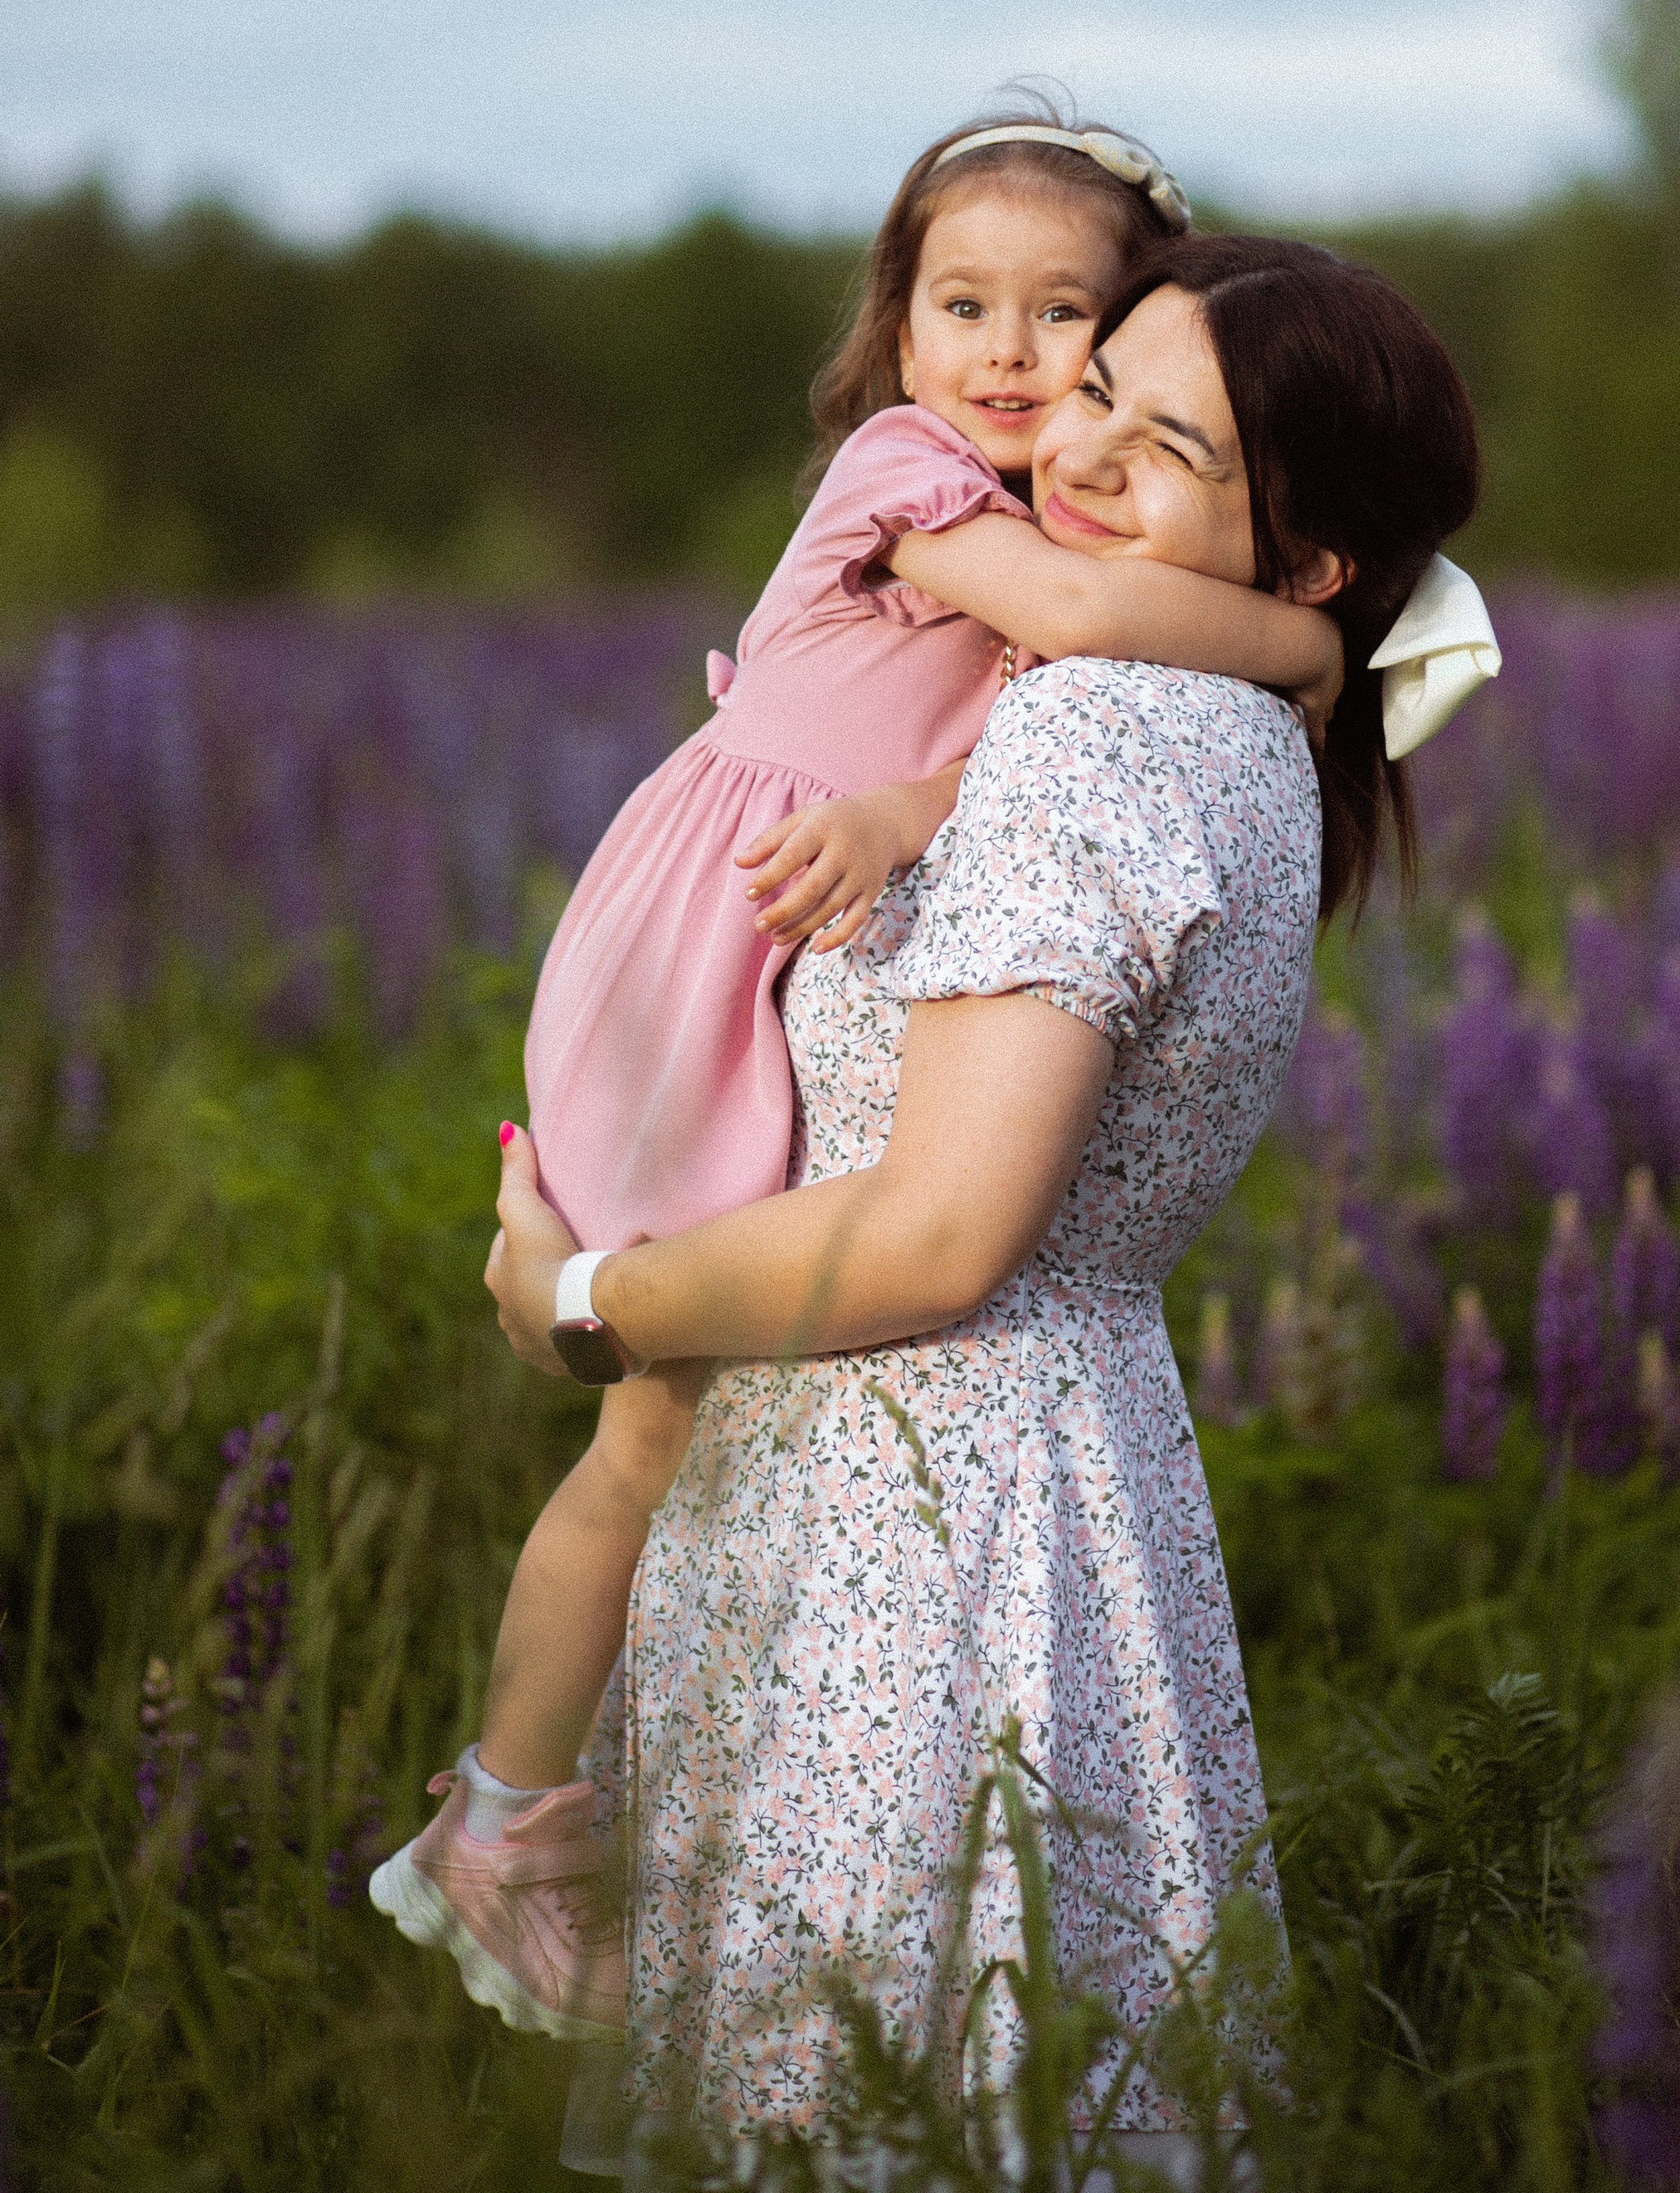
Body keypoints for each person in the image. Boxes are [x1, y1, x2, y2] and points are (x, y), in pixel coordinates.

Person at [477, 231, 1493, 2149]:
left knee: (872, 2105)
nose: (1078, 441)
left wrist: (584, 1297)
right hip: (1073, 1470)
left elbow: (940, 1235)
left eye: (1164, 442)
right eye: (1099, 383)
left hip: (906, 1520)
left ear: (1308, 564)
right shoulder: (1237, 723)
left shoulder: (1094, 725)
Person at [372, 124, 1348, 2032]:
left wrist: (910, 806)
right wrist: (1306, 642)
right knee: (650, 1418)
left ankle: (511, 1809)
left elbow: (1000, 764)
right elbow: (1071, 635)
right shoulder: (906, 478)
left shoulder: (1061, 629)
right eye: (954, 304)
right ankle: (498, 1810)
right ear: (889, 331)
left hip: (779, 938)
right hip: (691, 951)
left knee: (668, 1427)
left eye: (1062, 320)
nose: (1003, 357)